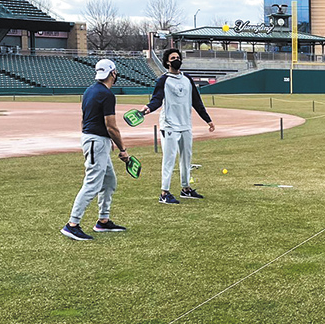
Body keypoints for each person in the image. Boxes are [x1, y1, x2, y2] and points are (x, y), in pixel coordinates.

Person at [61, 59, 129, 241]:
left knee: (109, 181)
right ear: (113, 73)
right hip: (96, 142)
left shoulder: (89, 91)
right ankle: (72, 224)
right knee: (92, 184)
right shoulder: (107, 95)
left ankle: (103, 221)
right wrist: (123, 149)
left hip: (96, 140)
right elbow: (111, 125)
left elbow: (85, 119)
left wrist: (107, 140)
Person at [138, 48, 215, 204]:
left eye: (178, 57)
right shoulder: (163, 80)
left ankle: (185, 189)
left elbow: (196, 101)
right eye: (173, 58)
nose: (176, 59)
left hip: (185, 125)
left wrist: (208, 119)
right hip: (169, 125)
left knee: (187, 158)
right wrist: (147, 109)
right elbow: (156, 100)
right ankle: (164, 193)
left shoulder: (187, 79)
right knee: (169, 158)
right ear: (167, 62)